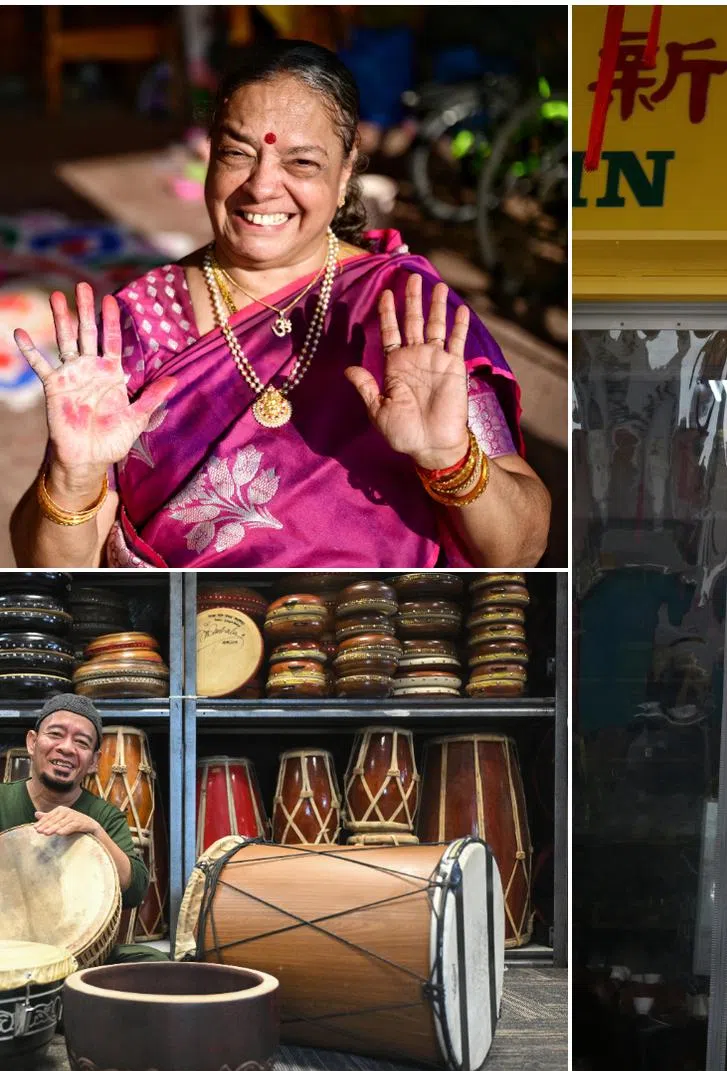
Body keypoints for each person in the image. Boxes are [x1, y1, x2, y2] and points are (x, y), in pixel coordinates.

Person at [10, 39, 551, 569]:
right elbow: (48, 565)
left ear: (345, 175)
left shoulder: (405, 311)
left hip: (373, 635)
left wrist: (451, 460)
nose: (262, 186)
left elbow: (519, 550)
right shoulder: (138, 324)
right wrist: (74, 476)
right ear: (209, 155)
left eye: (302, 163)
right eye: (237, 153)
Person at [0, 694, 166, 964]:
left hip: (79, 954)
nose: (66, 748)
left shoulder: (104, 816)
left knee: (156, 964)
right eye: (55, 734)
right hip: (6, 950)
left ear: (92, 761)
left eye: (81, 742)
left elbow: (135, 890)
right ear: (32, 742)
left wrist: (95, 832)